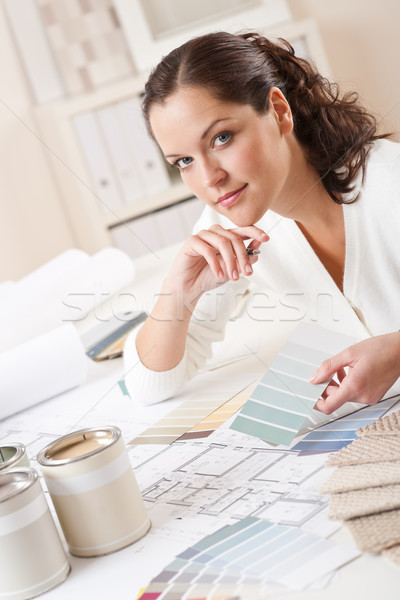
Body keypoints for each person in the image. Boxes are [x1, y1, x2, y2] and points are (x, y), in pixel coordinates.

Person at [124, 31, 400, 414]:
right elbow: (147, 384)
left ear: (279, 111)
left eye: (221, 138)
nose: (208, 179)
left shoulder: (390, 182)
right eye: (183, 161)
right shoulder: (229, 220)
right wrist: (178, 292)